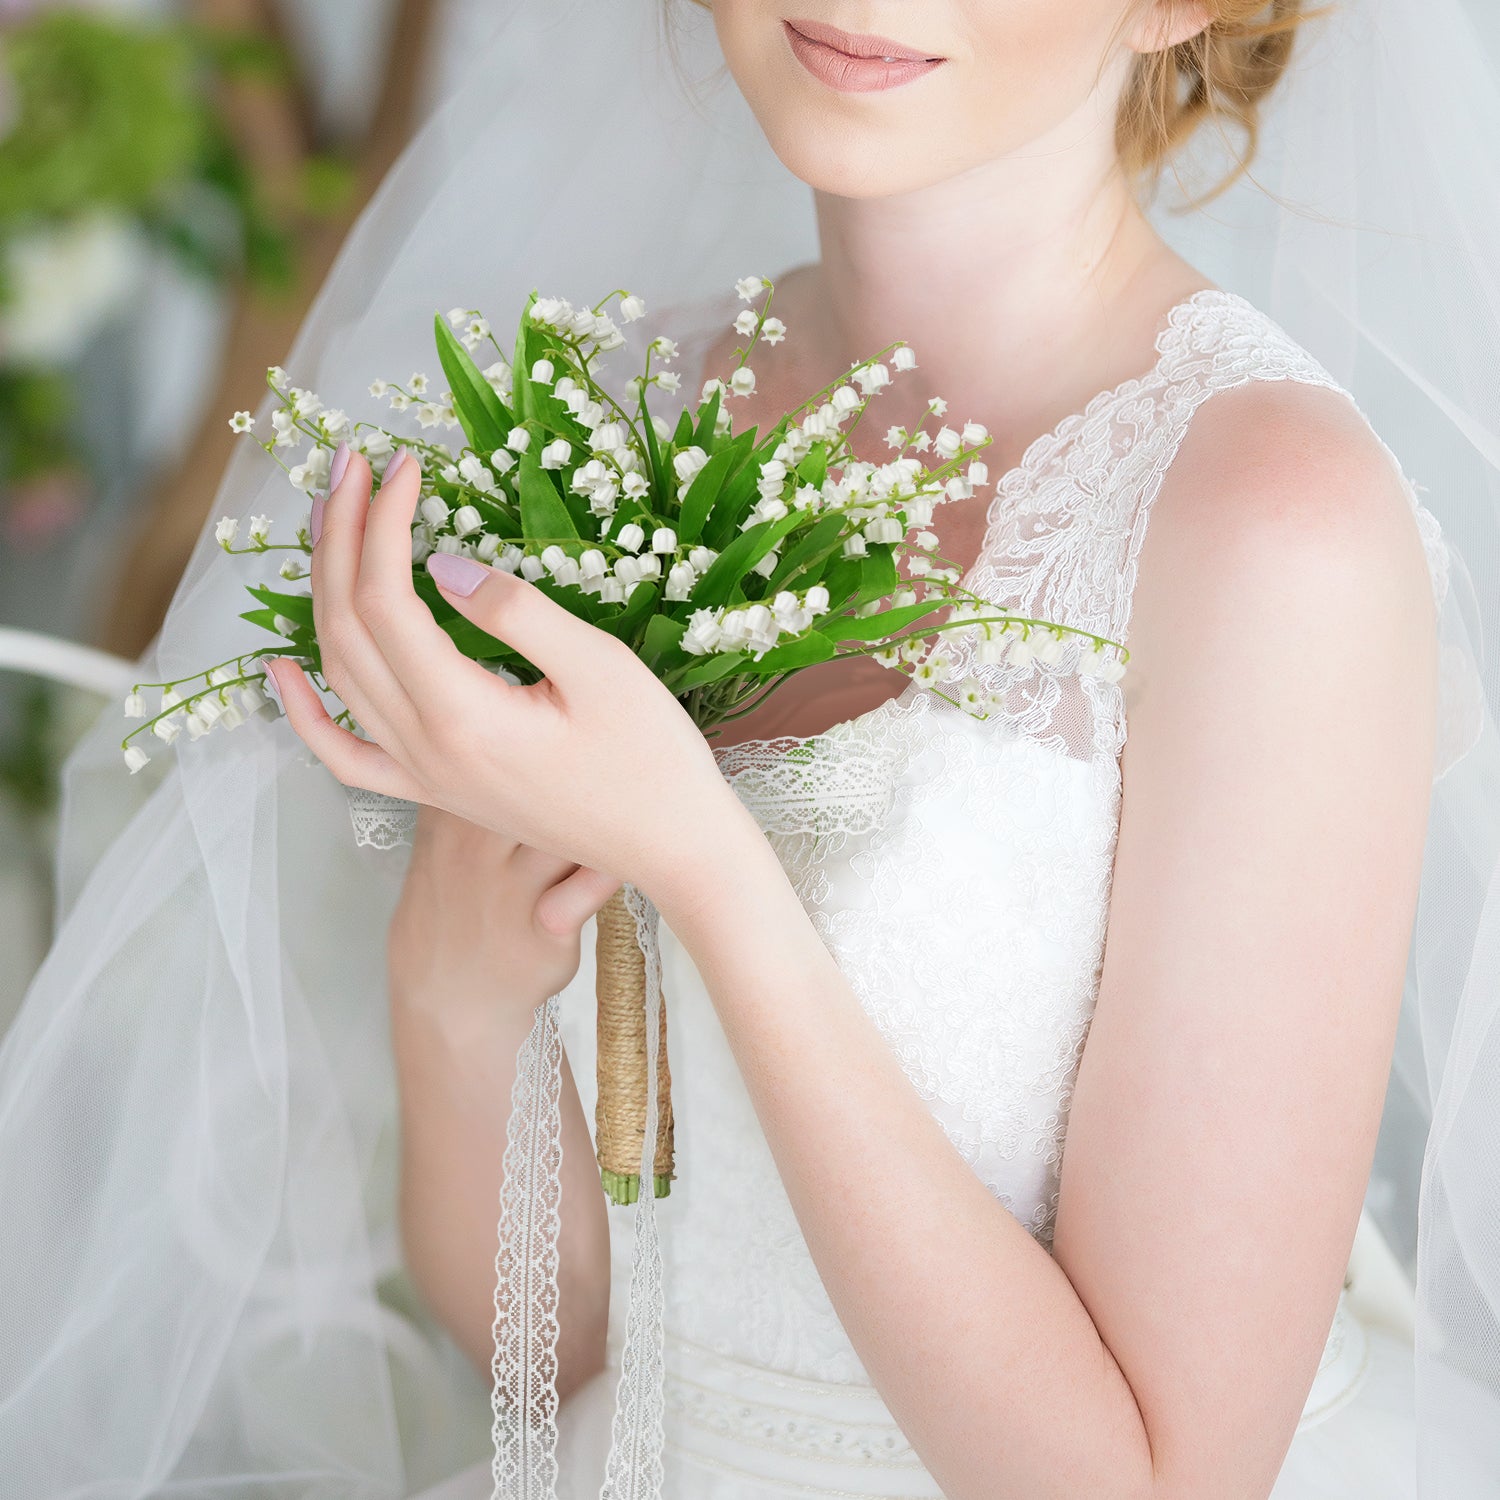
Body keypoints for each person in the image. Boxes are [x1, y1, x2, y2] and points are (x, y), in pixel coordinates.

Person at [0, 1, 1495, 1497]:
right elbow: (579, 1358)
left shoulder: (1274, 530)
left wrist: (704, 865)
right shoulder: (600, 419)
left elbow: (1157, 1482)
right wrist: (454, 993)